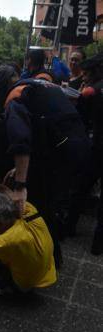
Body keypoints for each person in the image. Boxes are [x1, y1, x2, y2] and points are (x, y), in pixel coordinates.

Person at [0, 65, 90, 268]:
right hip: (77, 147)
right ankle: (53, 257)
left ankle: (40, 259)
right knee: (50, 204)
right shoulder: (41, 85)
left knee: (37, 205)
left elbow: (21, 140)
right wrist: (21, 168)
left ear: (1, 88)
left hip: (60, 154)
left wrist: (19, 185)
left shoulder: (14, 97)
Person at [67, 54, 103, 255]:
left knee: (80, 188)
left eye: (88, 73)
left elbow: (78, 116)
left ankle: (69, 227)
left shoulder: (90, 92)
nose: (85, 77)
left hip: (97, 148)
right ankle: (98, 242)